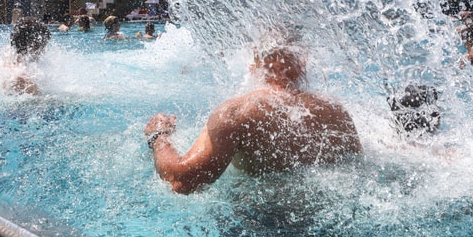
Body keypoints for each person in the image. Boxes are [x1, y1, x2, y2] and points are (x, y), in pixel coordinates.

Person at [144, 46, 362, 194]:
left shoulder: (237, 112)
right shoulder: (335, 111)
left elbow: (184, 181)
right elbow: (357, 167)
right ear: (302, 64)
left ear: (253, 66)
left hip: (260, 228)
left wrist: (159, 136)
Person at [7, 17, 50, 95]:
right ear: (34, 45)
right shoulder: (23, 79)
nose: (44, 50)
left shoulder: (6, 63)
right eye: (44, 45)